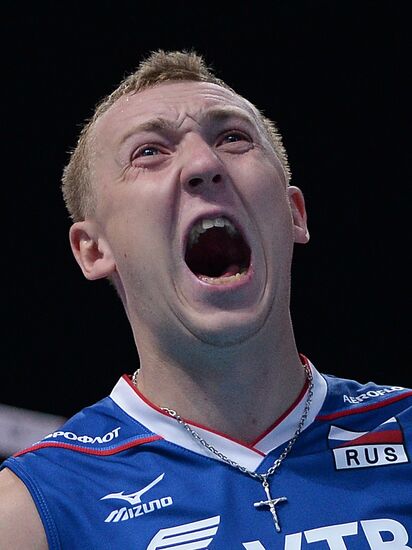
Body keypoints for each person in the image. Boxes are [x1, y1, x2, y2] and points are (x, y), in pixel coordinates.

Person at [0, 50, 411, 550]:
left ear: (294, 214)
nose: (203, 164)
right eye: (149, 151)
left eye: (232, 138)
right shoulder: (32, 510)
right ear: (93, 249)